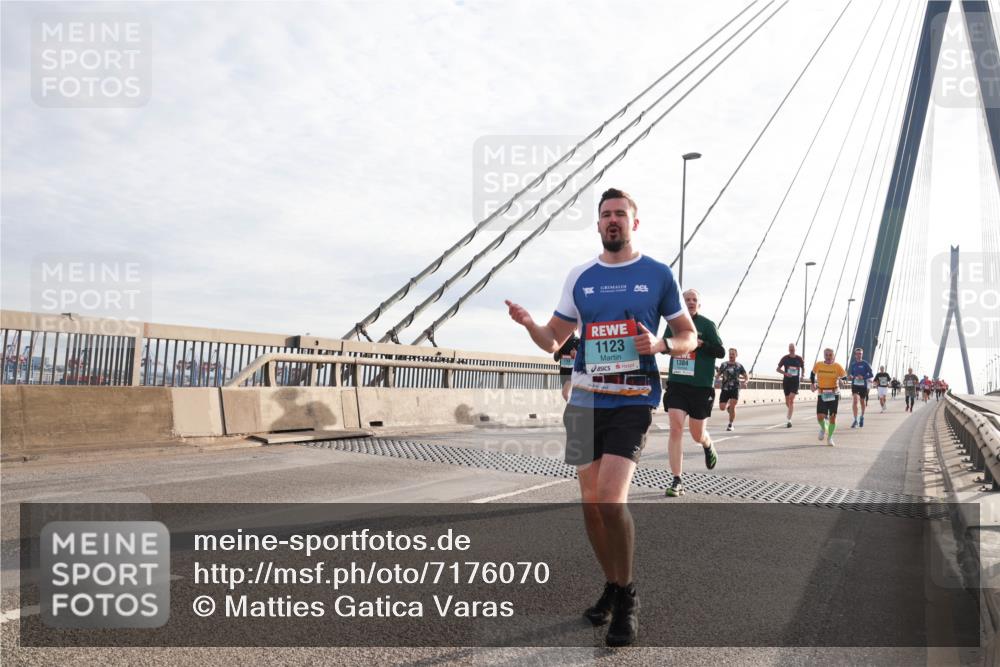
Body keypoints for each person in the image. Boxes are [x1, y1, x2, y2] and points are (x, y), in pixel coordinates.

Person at [505, 188, 695, 647]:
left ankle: (627, 596)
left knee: (611, 498)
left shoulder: (657, 274)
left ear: (635, 223)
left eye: (621, 215)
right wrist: (530, 324)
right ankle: (611, 584)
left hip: (632, 399)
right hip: (585, 401)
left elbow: (687, 335)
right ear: (598, 225)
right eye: (606, 215)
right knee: (590, 504)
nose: (613, 221)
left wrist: (663, 345)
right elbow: (554, 340)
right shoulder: (581, 276)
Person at [662, 288, 725, 497]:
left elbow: (720, 351)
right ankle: (677, 479)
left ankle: (707, 444)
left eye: (694, 299)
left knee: (697, 434)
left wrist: (702, 344)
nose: (690, 302)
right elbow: (664, 347)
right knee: (675, 428)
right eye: (686, 299)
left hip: (700, 386)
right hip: (678, 383)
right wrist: (675, 345)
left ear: (699, 304)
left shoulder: (707, 325)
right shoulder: (674, 325)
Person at [810, 348, 847, 446]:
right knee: (820, 417)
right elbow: (812, 374)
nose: (828, 357)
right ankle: (823, 428)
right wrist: (812, 384)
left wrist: (842, 381)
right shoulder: (819, 364)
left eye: (830, 355)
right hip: (822, 393)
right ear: (824, 355)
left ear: (833, 356)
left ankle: (830, 437)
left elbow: (845, 377)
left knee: (832, 418)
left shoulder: (837, 366)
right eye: (826, 355)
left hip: (834, 393)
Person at [716, 348, 748, 431]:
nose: (731, 355)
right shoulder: (724, 365)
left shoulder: (739, 366)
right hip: (725, 388)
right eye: (730, 354)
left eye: (733, 354)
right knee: (722, 407)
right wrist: (716, 381)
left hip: (735, 388)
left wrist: (745, 381)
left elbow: (746, 376)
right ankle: (728, 408)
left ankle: (730, 424)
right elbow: (718, 375)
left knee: (733, 406)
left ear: (736, 355)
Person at [776, 343, 805, 428]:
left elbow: (803, 367)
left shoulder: (799, 359)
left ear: (795, 349)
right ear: (788, 349)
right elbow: (777, 369)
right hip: (786, 382)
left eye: (793, 348)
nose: (791, 349)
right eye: (790, 348)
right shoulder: (785, 358)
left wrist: (802, 375)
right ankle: (791, 410)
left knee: (791, 400)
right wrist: (785, 373)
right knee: (787, 402)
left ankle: (789, 420)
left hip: (795, 382)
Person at [847, 347, 874, 428]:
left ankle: (862, 416)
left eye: (860, 354)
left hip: (863, 386)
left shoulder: (865, 364)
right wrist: (851, 376)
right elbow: (851, 374)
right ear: (855, 355)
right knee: (855, 401)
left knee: (862, 402)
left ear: (862, 355)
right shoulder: (853, 364)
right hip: (855, 385)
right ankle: (855, 420)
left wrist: (863, 377)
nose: (859, 355)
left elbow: (871, 374)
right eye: (857, 354)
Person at [554, 334, 580, 401]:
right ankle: (575, 409)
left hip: (573, 373)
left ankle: (572, 409)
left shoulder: (578, 341)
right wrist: (557, 350)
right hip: (563, 373)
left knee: (565, 394)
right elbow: (556, 359)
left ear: (575, 327)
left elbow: (584, 357)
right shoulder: (561, 341)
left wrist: (576, 354)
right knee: (567, 395)